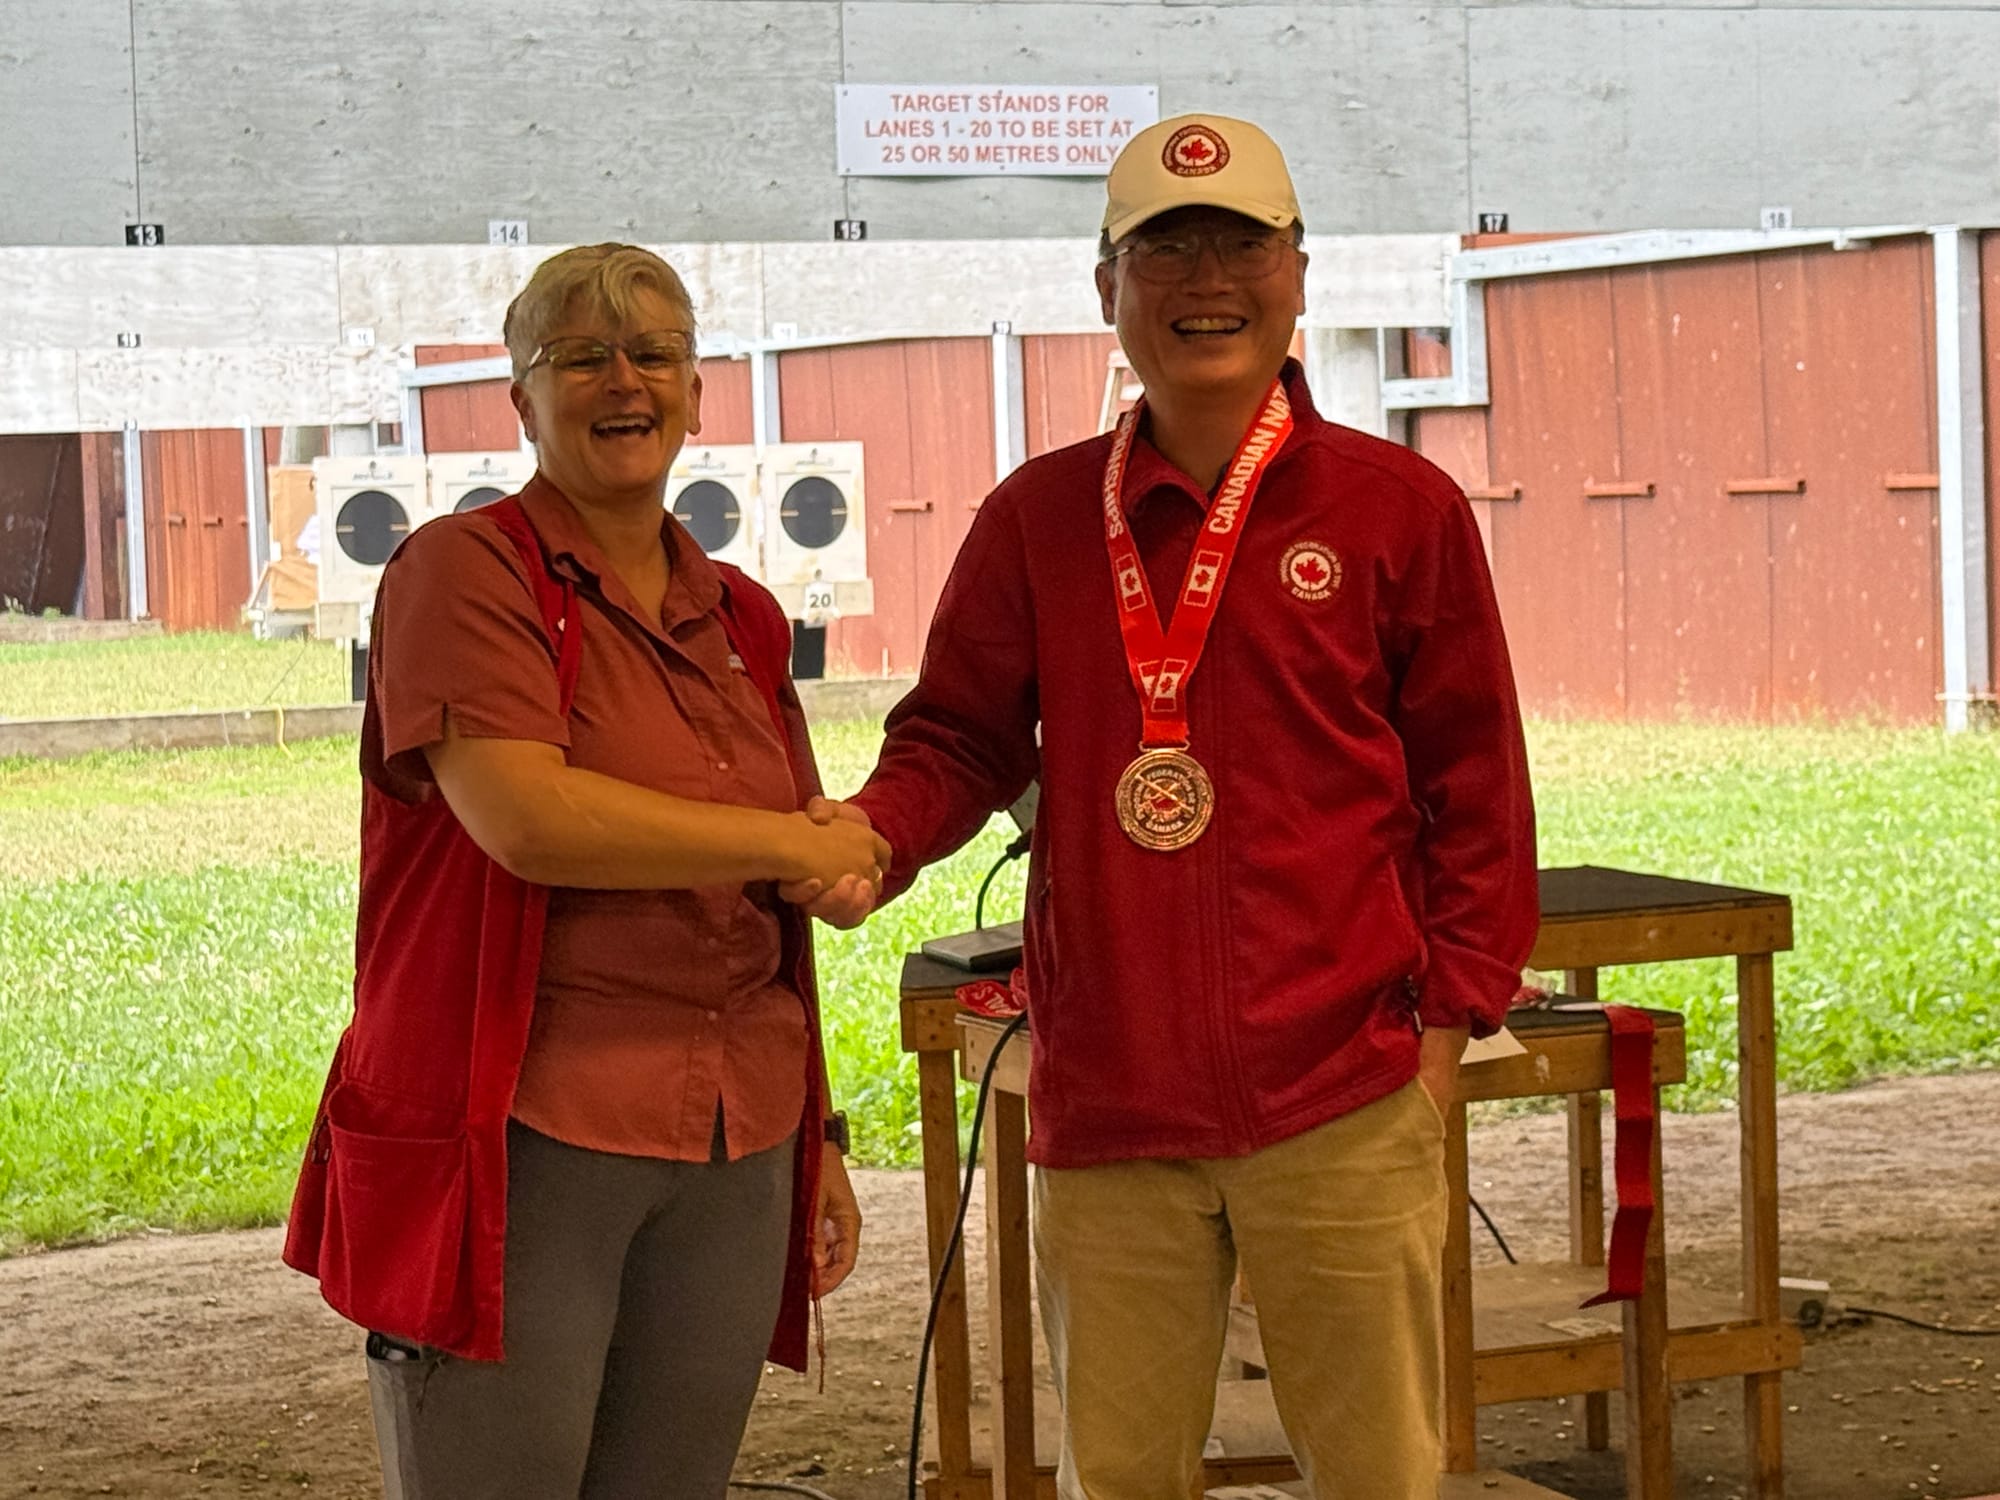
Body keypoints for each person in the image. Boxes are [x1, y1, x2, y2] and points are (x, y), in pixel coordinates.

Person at [819, 115, 1539, 1498]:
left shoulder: (1401, 509)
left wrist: (1449, 1014)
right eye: (1165, 250)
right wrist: (874, 836)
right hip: (1111, 1097)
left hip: (1343, 1087)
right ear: (1108, 289)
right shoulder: (1037, 520)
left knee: (1381, 1474)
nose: (1207, 280)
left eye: (1240, 244)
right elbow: (955, 737)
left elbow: (1477, 784)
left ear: (1300, 273)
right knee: (1121, 1477)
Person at [281, 243, 888, 1500]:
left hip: (739, 1132)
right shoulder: (461, 572)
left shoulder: (743, 615)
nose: (626, 382)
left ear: (696, 390)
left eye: (655, 354)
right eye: (583, 357)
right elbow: (531, 820)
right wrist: (792, 843)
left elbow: (765, 903)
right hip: (522, 1129)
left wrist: (815, 1127)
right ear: (521, 397)